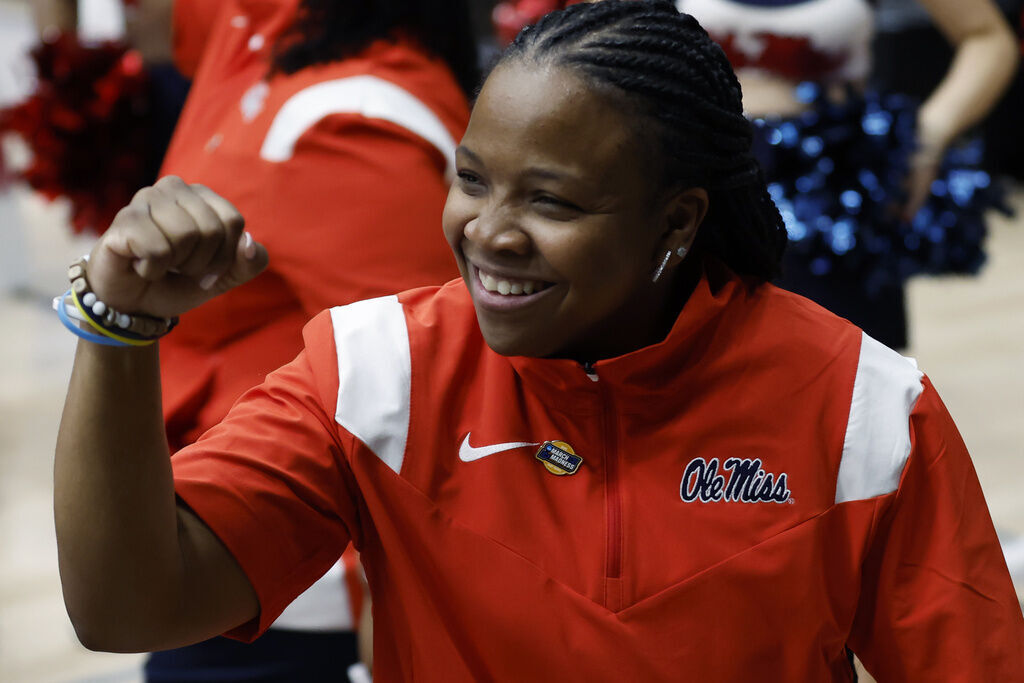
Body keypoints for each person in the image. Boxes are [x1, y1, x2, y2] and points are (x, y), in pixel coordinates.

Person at [53, 1, 1024, 680]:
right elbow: (128, 607)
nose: (490, 230)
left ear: (677, 220)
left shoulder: (861, 406)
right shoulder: (376, 369)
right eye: (473, 178)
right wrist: (118, 327)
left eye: (550, 199)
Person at [53, 0, 477, 680]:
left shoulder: (351, 112)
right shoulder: (253, 42)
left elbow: (430, 413)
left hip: (286, 597)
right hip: (207, 533)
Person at [678, 0, 1019, 349]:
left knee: (845, 367)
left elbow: (986, 37)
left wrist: (929, 136)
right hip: (707, 175)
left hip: (833, 191)